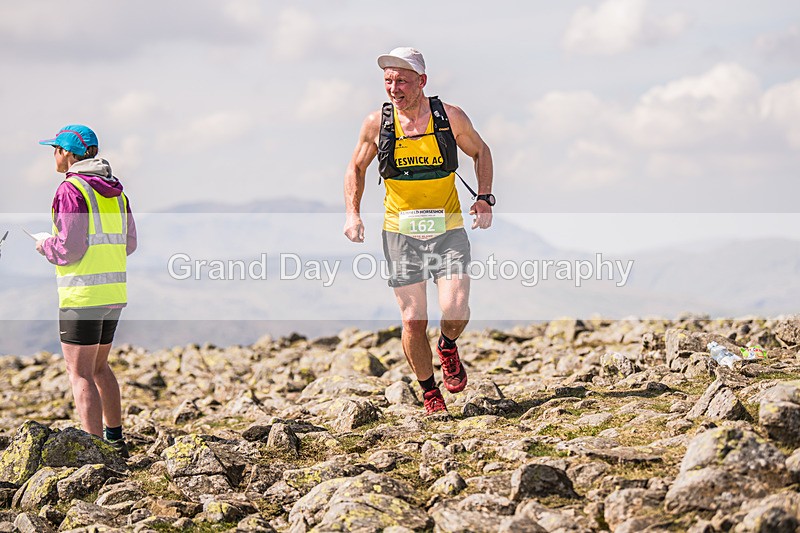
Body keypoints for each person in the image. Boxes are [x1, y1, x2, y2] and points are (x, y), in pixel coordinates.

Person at [344, 48, 495, 416]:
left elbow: (481, 152)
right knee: (413, 319)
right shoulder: (375, 124)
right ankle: (430, 393)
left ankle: (447, 345)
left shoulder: (449, 117)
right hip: (401, 231)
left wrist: (485, 197)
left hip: (448, 227)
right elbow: (356, 167)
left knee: (455, 309)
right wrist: (353, 214)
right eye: (388, 81)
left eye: (402, 81)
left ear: (422, 82)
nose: (394, 88)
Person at [36, 125, 137, 456]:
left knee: (79, 373)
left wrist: (46, 245)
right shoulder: (116, 192)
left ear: (66, 154)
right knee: (99, 368)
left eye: (55, 149)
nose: (53, 155)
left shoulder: (71, 190)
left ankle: (97, 452)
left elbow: (71, 248)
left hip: (81, 295)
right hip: (112, 294)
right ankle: (115, 440)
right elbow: (130, 244)